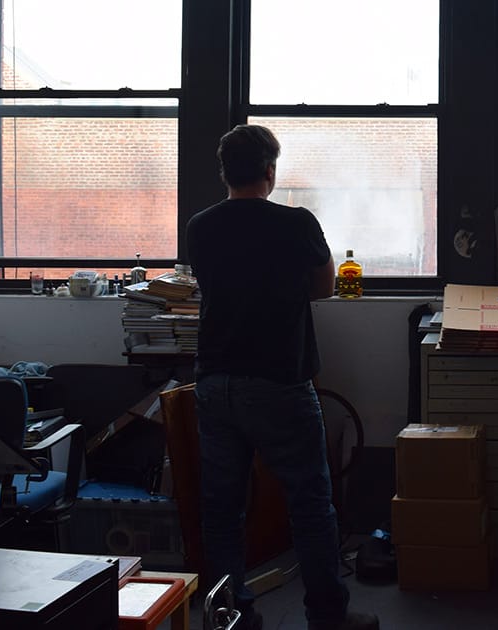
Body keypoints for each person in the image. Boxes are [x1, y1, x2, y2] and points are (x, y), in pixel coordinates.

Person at [186, 124, 379, 630]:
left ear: (225, 172)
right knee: (310, 505)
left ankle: (230, 616)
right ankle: (328, 616)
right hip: (278, 383)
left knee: (222, 510)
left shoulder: (200, 226)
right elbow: (324, 287)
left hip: (216, 382)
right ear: (270, 171)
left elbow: (212, 285)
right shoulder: (296, 223)